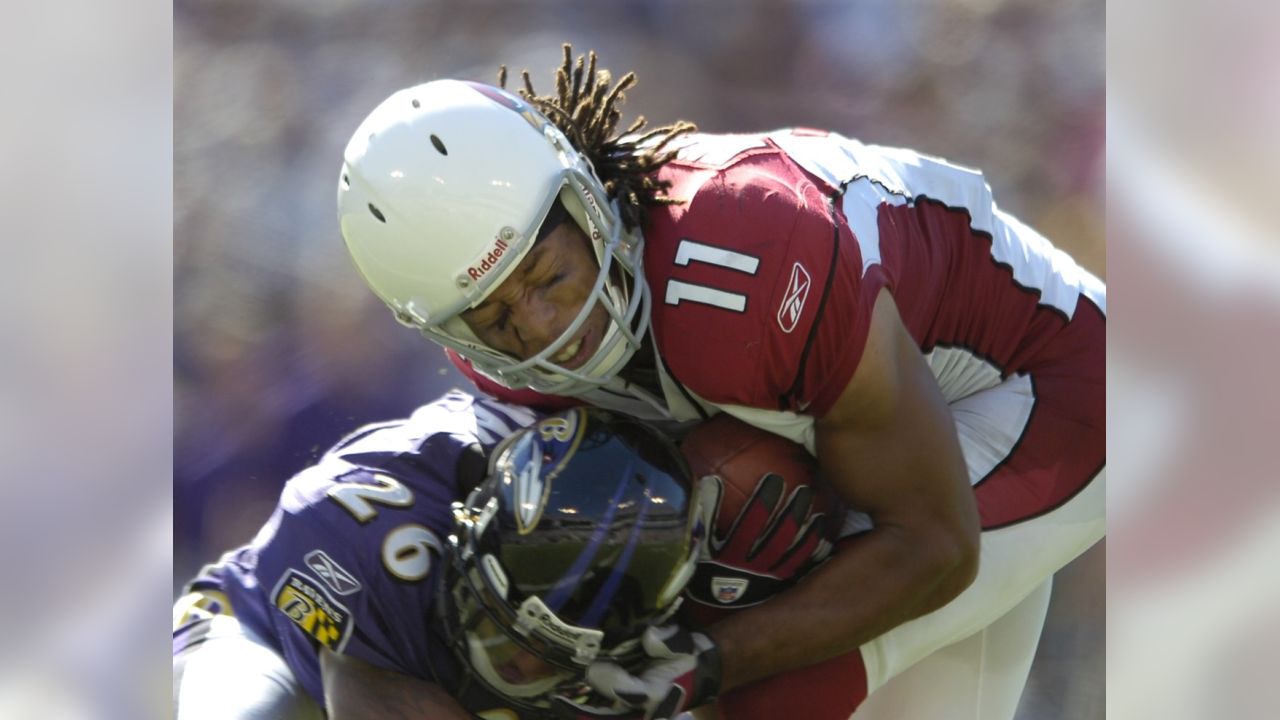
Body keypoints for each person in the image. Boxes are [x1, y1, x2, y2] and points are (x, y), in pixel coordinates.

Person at [336, 47, 1105, 720]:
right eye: (496, 317)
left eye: (548, 276)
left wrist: (704, 663)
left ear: (586, 201)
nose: (541, 330)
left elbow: (931, 542)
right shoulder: (496, 351)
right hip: (895, 455)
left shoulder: (746, 254)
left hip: (1050, 385)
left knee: (759, 678)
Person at [171, 390, 707, 719]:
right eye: (500, 627)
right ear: (468, 531)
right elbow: (354, 678)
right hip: (267, 633)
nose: (517, 666)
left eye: (547, 658)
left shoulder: (655, 611)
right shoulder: (371, 515)